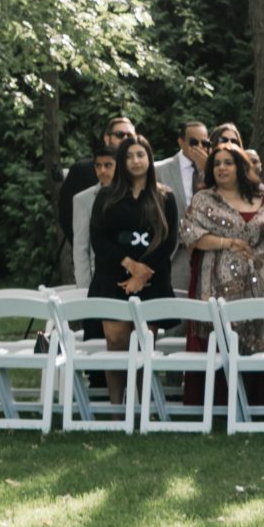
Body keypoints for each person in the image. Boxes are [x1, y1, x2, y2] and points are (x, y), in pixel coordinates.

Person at [179, 144, 264, 404]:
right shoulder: (204, 199)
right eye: (216, 163)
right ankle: (218, 403)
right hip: (217, 283)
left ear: (241, 167)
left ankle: (254, 402)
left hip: (257, 285)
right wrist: (226, 243)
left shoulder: (262, 199)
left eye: (228, 162)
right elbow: (190, 235)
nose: (221, 167)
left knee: (254, 339)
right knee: (219, 339)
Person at [90, 136, 179, 378]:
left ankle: (141, 409)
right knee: (116, 342)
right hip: (113, 277)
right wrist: (130, 265)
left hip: (151, 279)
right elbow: (98, 238)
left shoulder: (165, 197)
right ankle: (118, 413)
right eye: (129, 156)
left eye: (140, 155)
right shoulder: (107, 196)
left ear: (149, 158)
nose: (135, 161)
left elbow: (169, 240)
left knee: (143, 345)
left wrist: (143, 272)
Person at [69, 143, 119, 291]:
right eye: (98, 166)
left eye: (108, 165)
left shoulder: (133, 195)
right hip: (97, 278)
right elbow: (80, 247)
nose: (102, 170)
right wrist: (84, 288)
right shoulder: (82, 199)